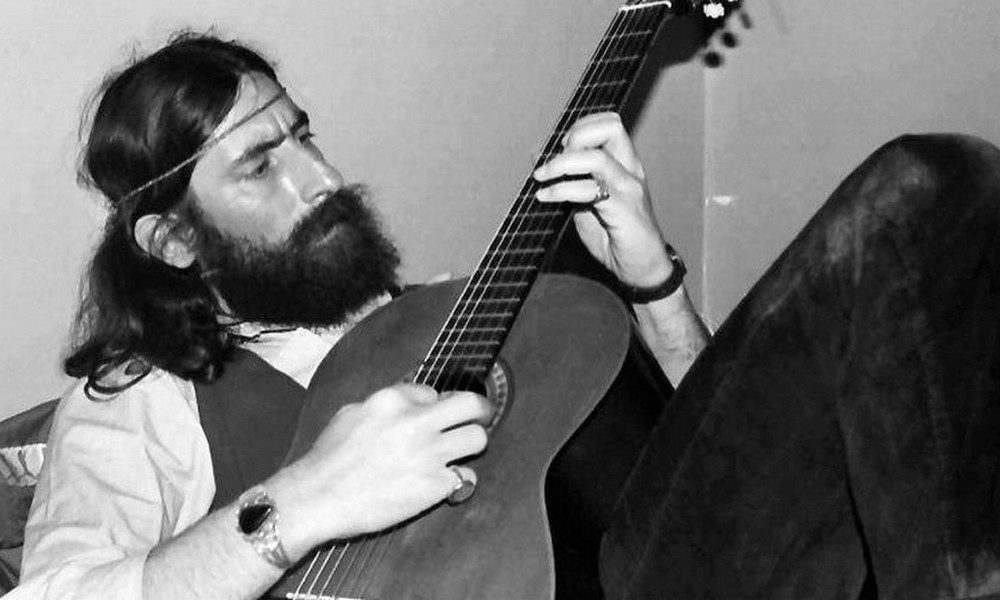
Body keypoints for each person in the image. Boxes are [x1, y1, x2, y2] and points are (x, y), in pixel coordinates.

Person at [9, 34, 709, 599]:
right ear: (175, 240)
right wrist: (306, 499)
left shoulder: (447, 319)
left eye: (304, 139)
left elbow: (713, 462)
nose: (324, 179)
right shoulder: (141, 404)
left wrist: (654, 283)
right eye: (260, 167)